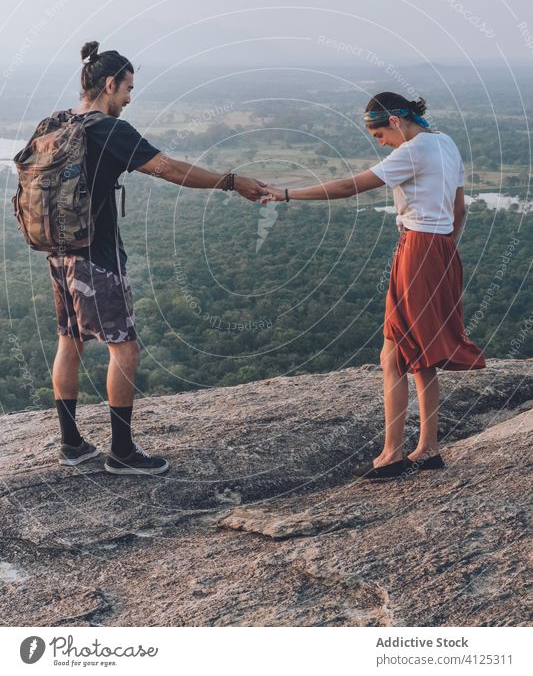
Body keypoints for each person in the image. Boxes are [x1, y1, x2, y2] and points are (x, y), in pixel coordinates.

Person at [48, 41, 266, 476]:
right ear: (109, 84)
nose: (129, 98)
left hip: (59, 250)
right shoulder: (108, 129)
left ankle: (72, 444)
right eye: (128, 88)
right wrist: (229, 181)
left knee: (69, 340)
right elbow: (168, 169)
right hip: (97, 254)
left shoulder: (57, 122)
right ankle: (123, 453)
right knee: (124, 348)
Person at [263, 91, 486, 480]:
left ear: (395, 122)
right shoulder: (446, 143)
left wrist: (286, 193)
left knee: (393, 353)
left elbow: (349, 187)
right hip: (445, 248)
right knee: (421, 351)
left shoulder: (413, 151)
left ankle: (391, 454)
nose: (380, 143)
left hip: (417, 248)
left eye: (379, 135)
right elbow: (459, 209)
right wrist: (444, 249)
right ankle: (428, 448)